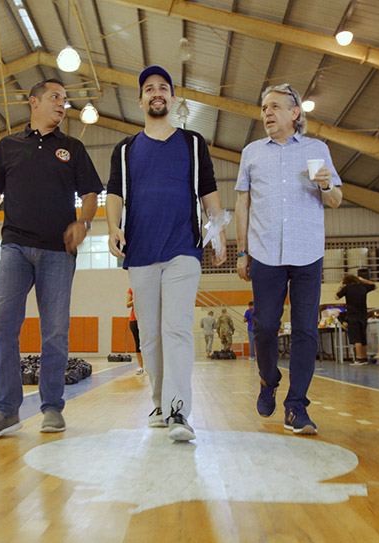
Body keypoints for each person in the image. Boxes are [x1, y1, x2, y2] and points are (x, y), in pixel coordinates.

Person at [0, 78, 102, 439]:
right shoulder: (9, 146)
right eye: (55, 97)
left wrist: (83, 223)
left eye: (65, 99)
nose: (62, 104)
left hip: (58, 253)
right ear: (33, 102)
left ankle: (52, 408)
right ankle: (6, 411)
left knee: (55, 334)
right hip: (14, 249)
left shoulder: (73, 148)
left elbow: (90, 194)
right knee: (3, 326)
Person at [106, 65, 227, 442]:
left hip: (182, 249)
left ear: (172, 99)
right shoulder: (125, 149)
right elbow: (114, 194)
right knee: (151, 337)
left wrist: (219, 232)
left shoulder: (193, 143)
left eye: (163, 88)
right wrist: (112, 227)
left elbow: (208, 190)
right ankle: (159, 402)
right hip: (140, 252)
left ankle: (179, 411)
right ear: (140, 100)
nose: (156, 93)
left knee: (177, 329)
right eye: (149, 88)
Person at [235, 83, 342, 436]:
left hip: (307, 250)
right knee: (265, 326)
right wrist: (242, 250)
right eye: (264, 107)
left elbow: (336, 199)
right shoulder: (251, 152)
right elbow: (242, 203)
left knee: (306, 331)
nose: (267, 113)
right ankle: (269, 379)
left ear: (295, 113)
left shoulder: (317, 150)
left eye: (275, 107)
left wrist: (327, 185)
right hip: (265, 251)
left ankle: (296, 406)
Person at [335, 274, 375, 365]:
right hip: (363, 315)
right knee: (362, 337)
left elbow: (336, 297)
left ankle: (359, 358)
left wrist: (341, 286)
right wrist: (363, 280)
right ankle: (364, 358)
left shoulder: (347, 288)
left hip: (352, 315)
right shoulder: (363, 287)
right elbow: (374, 285)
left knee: (356, 337)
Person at [127, 287, 144, 374]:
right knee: (138, 344)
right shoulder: (131, 289)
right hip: (134, 320)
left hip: (145, 319)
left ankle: (151, 366)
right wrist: (135, 300)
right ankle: (141, 367)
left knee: (147, 343)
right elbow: (127, 304)